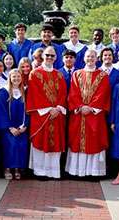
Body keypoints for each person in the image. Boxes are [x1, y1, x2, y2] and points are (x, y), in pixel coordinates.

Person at [66, 49, 112, 177]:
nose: (90, 59)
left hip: (95, 115)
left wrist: (91, 108)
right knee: (77, 141)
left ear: (97, 59)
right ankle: (77, 171)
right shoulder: (77, 74)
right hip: (79, 114)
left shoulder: (103, 76)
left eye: (92, 57)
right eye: (88, 57)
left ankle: (93, 172)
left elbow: (103, 94)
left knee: (94, 142)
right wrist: (81, 106)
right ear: (84, 58)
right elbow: (73, 93)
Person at [25, 46, 68, 179]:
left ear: (56, 58)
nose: (49, 58)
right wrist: (49, 109)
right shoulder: (34, 73)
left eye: (52, 56)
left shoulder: (59, 74)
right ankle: (40, 172)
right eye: (47, 55)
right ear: (42, 56)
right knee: (40, 141)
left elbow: (63, 93)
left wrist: (58, 108)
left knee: (54, 142)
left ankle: (53, 172)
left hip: (56, 115)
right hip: (42, 115)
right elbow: (35, 94)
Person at [0, 69, 30, 180]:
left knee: (21, 145)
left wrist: (25, 125)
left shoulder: (25, 91)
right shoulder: (4, 92)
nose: (16, 79)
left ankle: (17, 169)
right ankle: (7, 168)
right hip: (8, 128)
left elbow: (29, 110)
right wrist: (10, 128)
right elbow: (1, 111)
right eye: (13, 77)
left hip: (21, 127)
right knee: (11, 144)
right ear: (9, 78)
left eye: (18, 77)